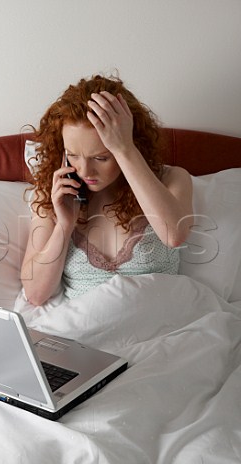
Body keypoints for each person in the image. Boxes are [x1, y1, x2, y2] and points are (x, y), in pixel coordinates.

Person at [21, 74, 193, 306]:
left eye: (101, 157)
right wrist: (64, 225)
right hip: (86, 332)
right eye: (72, 155)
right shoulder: (52, 194)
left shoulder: (172, 179)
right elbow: (35, 295)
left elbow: (174, 236)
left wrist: (125, 149)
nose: (85, 171)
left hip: (162, 328)